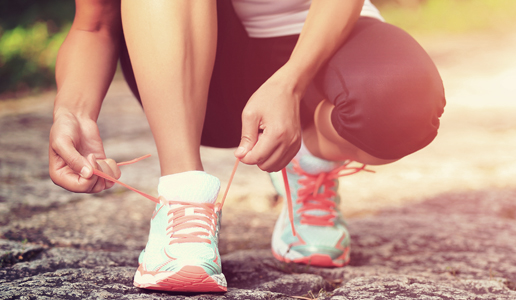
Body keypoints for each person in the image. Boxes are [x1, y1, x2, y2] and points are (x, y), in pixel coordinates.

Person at [49, 0, 445, 292]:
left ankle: (309, 157)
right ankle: (184, 196)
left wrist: (291, 81)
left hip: (318, 34)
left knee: (404, 105)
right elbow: (95, 25)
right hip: (194, 57)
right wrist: (73, 112)